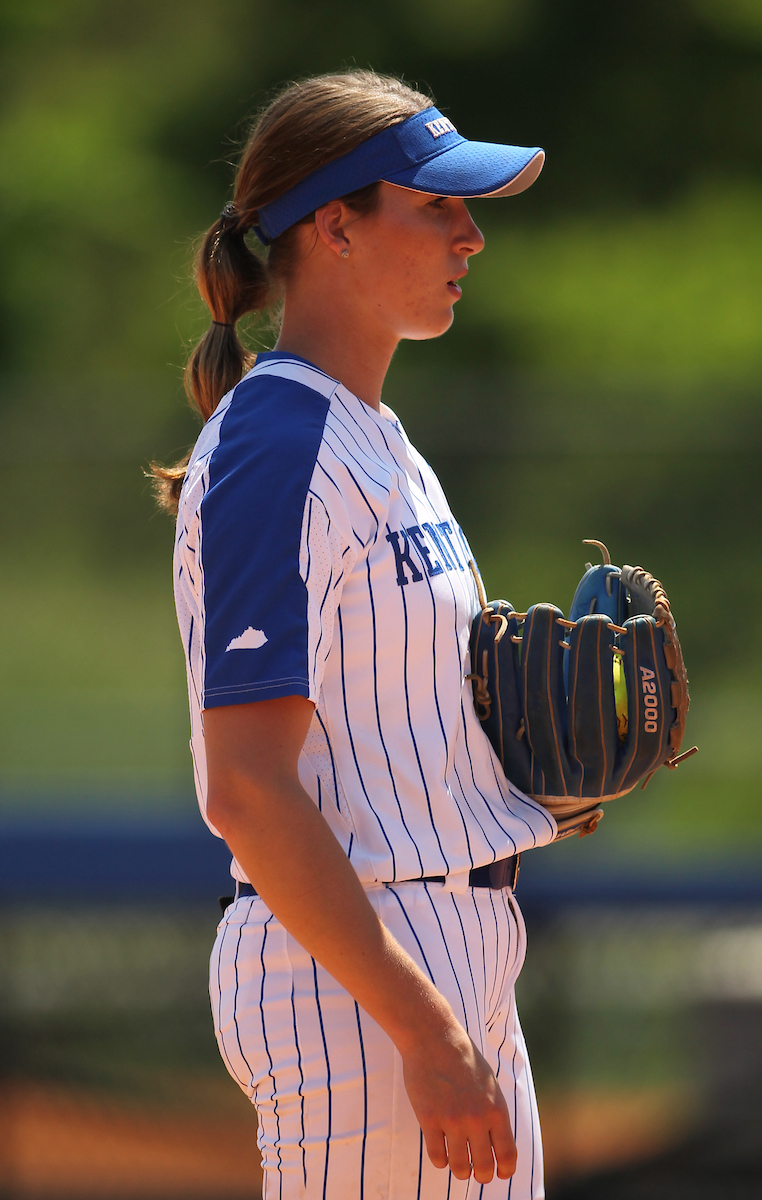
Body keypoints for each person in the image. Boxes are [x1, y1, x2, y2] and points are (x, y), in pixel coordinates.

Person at [154, 69, 556, 1200]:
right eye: (435, 205)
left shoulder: (374, 434)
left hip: (447, 949)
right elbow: (245, 788)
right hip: (361, 980)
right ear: (334, 225)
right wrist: (424, 1033)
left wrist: (523, 787)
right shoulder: (276, 445)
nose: (469, 236)